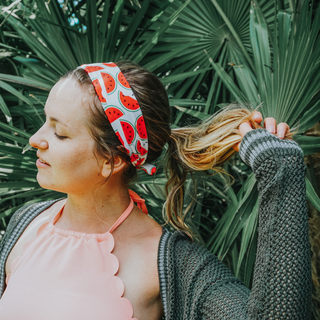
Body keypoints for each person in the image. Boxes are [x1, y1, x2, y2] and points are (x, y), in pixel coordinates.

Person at [0, 61, 311, 319]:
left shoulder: (175, 263)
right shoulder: (26, 223)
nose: (35, 139)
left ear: (111, 160)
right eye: (45, 122)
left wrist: (280, 172)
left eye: (60, 133)